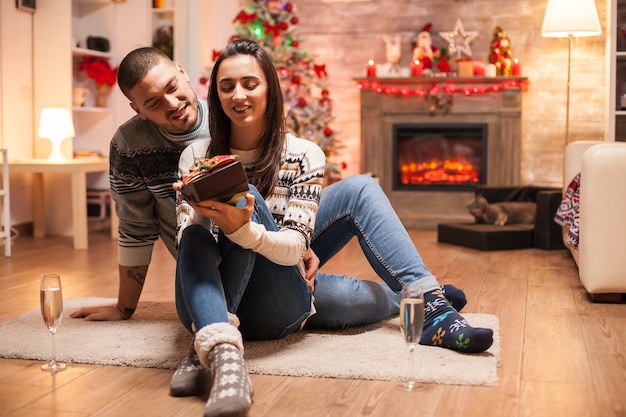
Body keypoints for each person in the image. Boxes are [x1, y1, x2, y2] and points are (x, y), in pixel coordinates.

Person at [172, 38, 493, 417]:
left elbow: (294, 245)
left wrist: (253, 232)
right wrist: (206, 213)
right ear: (217, 96)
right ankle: (216, 345)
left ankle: (427, 303)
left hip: (282, 288)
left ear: (270, 89)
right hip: (216, 295)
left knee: (361, 197)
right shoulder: (196, 156)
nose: (238, 95)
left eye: (250, 83)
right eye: (226, 87)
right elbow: (188, 246)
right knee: (221, 215)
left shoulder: (304, 154)